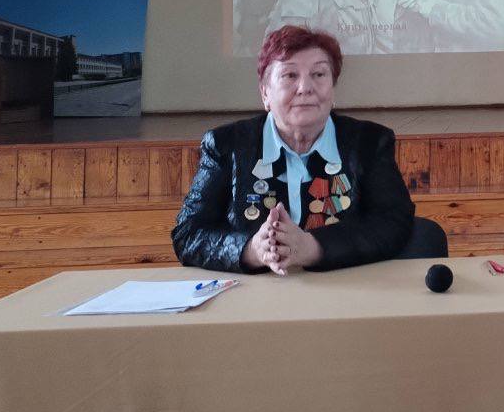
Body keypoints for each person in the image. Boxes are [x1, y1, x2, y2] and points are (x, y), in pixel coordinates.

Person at [172, 25, 427, 275]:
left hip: (344, 290)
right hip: (254, 294)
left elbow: (394, 222)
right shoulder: (226, 145)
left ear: (333, 88)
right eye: (290, 75)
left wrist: (312, 248)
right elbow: (188, 234)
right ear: (265, 93)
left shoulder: (369, 143)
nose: (305, 87)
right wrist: (252, 250)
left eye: (319, 74)